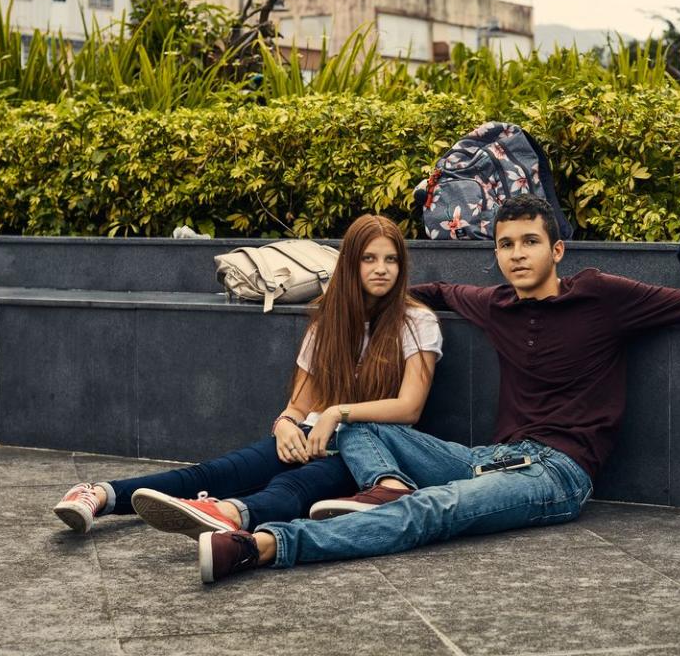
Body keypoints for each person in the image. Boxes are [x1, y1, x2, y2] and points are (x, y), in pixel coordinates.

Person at [193, 195, 680, 583]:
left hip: (558, 473)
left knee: (443, 510)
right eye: (505, 244)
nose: (514, 254)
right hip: (493, 455)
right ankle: (387, 487)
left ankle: (265, 545)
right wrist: (337, 284)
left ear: (557, 251)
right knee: (362, 424)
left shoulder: (604, 297)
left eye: (529, 243)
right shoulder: (492, 303)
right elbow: (415, 291)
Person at [52, 214, 442, 540]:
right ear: (351, 263)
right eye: (369, 258)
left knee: (293, 489)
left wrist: (338, 413)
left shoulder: (416, 322)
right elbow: (299, 404)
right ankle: (100, 495)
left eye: (391, 260)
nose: (381, 269)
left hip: (365, 451)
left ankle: (225, 514)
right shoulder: (327, 324)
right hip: (310, 435)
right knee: (215, 471)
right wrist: (287, 424)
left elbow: (409, 408)